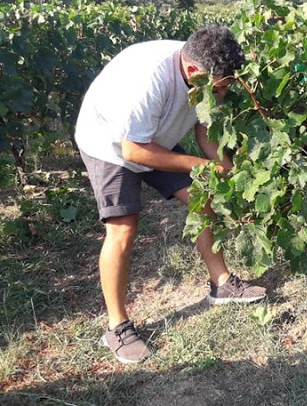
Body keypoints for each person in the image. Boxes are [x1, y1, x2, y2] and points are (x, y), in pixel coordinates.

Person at [75, 25, 266, 364]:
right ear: (194, 71)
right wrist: (200, 167)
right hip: (110, 144)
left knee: (201, 200)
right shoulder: (149, 81)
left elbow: (203, 128)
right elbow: (134, 151)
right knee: (123, 227)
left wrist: (229, 169)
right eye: (219, 88)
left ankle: (221, 284)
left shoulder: (203, 70)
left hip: (153, 138)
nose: (222, 95)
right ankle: (117, 327)